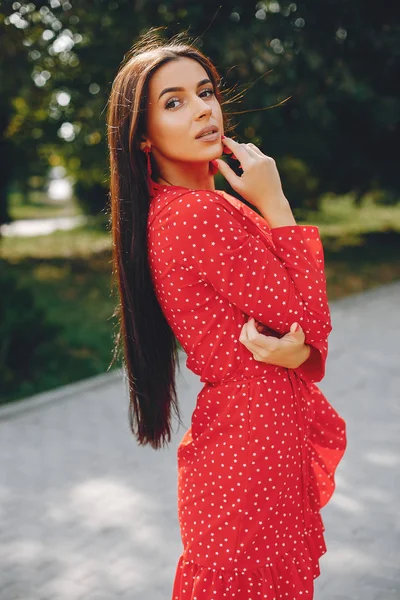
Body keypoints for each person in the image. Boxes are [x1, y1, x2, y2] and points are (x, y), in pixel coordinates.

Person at [106, 31, 347, 600]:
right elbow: (308, 321)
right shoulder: (201, 215)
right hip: (252, 447)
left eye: (205, 92)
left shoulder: (178, 211)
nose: (202, 110)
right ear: (143, 138)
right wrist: (277, 202)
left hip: (247, 441)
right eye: (174, 102)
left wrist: (303, 352)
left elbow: (303, 338)